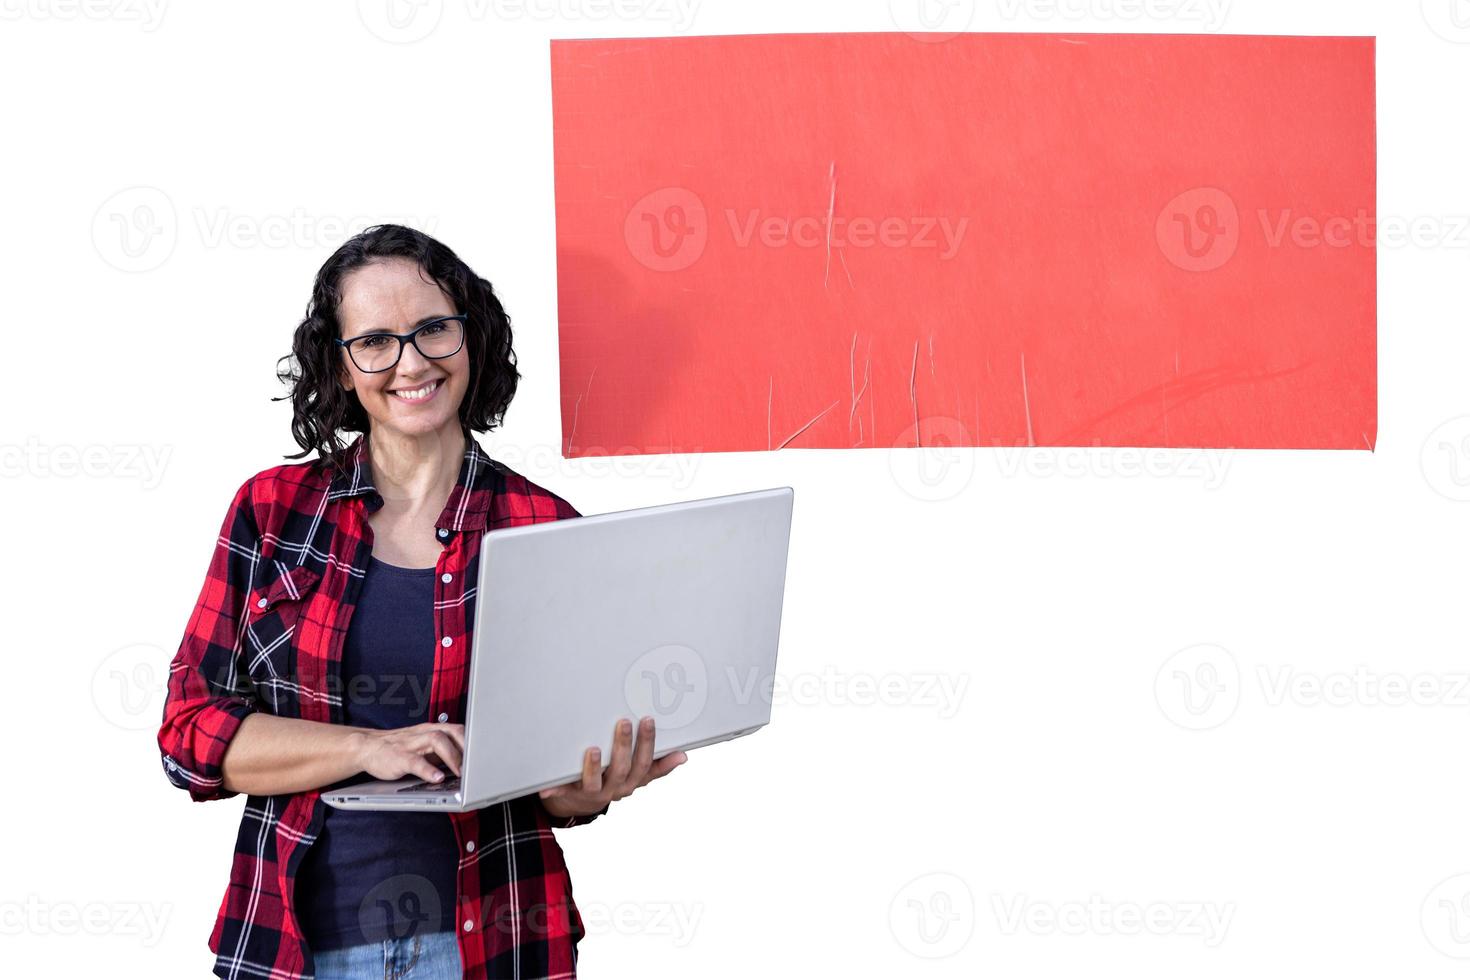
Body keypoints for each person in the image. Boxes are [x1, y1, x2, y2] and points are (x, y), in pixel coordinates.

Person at [157, 224, 686, 979]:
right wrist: (372, 749)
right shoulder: (273, 512)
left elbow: (555, 770)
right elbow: (190, 733)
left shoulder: (543, 527)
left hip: (496, 943)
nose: (411, 362)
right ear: (339, 368)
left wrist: (583, 790)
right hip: (294, 947)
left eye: (434, 329)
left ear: (472, 338)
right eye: (375, 341)